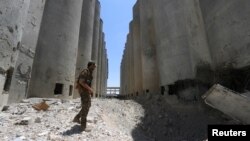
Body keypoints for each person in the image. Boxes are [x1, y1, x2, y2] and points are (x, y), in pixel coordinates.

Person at [73, 61, 96, 131]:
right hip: (83, 92)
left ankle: (77, 118)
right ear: (90, 65)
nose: (95, 67)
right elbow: (81, 81)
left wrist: (89, 91)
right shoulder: (85, 72)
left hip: (86, 92)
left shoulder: (90, 73)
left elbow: (87, 83)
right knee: (86, 106)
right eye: (94, 65)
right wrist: (90, 89)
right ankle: (83, 126)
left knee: (88, 105)